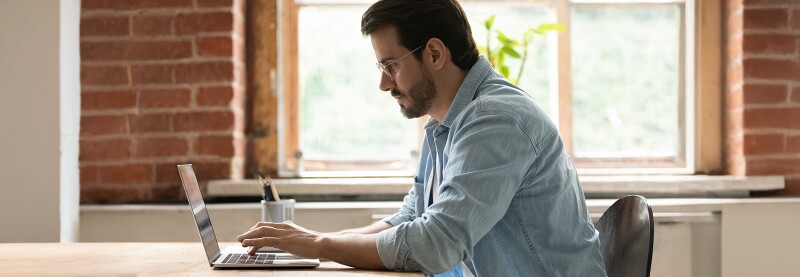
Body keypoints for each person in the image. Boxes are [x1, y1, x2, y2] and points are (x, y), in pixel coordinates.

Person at [237, 0, 607, 276]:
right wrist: (314, 241)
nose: (383, 83)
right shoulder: (447, 123)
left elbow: (435, 244)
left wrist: (320, 245)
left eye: (390, 65)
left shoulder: (495, 120)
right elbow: (411, 217)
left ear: (434, 53)